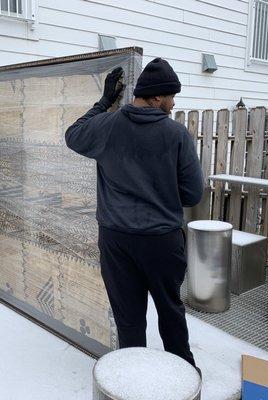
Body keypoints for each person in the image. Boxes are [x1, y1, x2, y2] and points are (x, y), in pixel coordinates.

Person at [65, 59, 204, 369]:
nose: (173, 102)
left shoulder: (106, 126)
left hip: (116, 242)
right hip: (162, 242)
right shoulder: (177, 135)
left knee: (129, 319)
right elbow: (193, 194)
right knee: (170, 311)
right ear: (155, 97)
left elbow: (73, 134)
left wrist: (103, 103)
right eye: (170, 95)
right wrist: (162, 193)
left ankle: (134, 379)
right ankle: (184, 375)